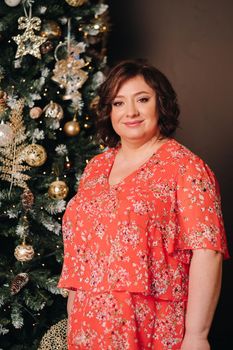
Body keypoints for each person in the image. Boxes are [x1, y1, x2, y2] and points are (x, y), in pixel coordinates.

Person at [58, 59, 229, 350]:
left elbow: (207, 253)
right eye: (119, 103)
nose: (131, 112)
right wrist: (75, 319)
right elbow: (82, 255)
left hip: (153, 327)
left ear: (160, 103)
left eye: (142, 99)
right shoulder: (96, 168)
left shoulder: (186, 168)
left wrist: (197, 336)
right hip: (89, 329)